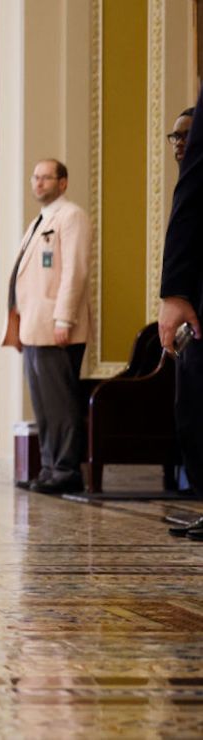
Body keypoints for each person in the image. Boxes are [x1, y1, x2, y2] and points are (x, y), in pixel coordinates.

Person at [2, 159, 92, 494]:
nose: (39, 184)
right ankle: (50, 467)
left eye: (46, 178)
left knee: (60, 402)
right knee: (43, 404)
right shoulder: (39, 220)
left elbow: (75, 272)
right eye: (35, 178)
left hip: (56, 325)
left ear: (63, 182)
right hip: (33, 326)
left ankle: (67, 470)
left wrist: (64, 319)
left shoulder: (71, 217)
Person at [162, 95, 203, 538]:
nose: (179, 144)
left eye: (187, 136)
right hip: (190, 315)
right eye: (175, 136)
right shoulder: (185, 185)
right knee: (189, 412)